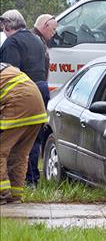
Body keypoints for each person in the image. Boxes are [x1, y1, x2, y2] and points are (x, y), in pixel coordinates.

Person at [0, 10, 48, 187]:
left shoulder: (11, 43)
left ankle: (3, 193)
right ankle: (29, 183)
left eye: (3, 24)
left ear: (8, 24)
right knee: (26, 148)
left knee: (4, 150)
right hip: (39, 94)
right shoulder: (36, 40)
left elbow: (11, 73)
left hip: (17, 97)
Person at [0, 63, 48, 204]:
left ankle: (2, 194)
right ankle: (15, 195)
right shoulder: (5, 67)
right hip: (37, 109)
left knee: (1, 152)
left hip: (18, 104)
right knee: (19, 154)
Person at [25, 14, 58, 186]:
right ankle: (31, 179)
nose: (54, 34)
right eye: (53, 29)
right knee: (34, 138)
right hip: (35, 93)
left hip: (36, 91)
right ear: (45, 25)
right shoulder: (35, 42)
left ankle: (31, 177)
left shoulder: (37, 41)